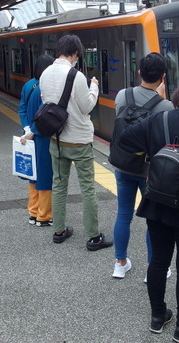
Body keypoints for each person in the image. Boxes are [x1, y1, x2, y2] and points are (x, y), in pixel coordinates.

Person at [117, 81, 179, 342]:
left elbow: (125, 138)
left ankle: (158, 316)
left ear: (176, 98)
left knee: (159, 261)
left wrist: (153, 154)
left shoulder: (157, 119)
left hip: (157, 202)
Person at [39, 34, 113, 251]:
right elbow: (87, 106)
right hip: (79, 141)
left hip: (57, 139)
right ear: (75, 53)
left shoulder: (45, 74)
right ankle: (93, 237)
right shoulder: (76, 75)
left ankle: (59, 230)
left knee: (59, 184)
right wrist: (94, 87)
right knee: (87, 188)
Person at [110, 52, 174, 279]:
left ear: (139, 73)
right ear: (163, 77)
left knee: (124, 213)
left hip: (123, 165)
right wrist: (162, 97)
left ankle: (120, 263)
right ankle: (153, 268)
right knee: (153, 219)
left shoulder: (121, 96)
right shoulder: (165, 106)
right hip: (149, 171)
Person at [18, 54, 55, 227]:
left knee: (33, 175)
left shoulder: (28, 85)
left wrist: (26, 128)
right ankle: (44, 215)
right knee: (46, 175)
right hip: (43, 137)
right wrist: (33, 131)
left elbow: (22, 109)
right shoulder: (48, 87)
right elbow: (46, 114)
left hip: (28, 137)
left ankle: (33, 212)